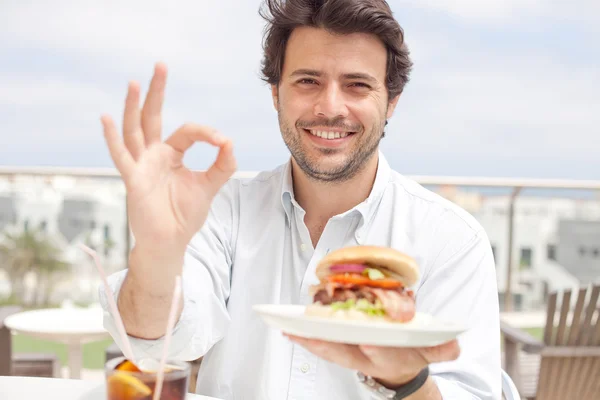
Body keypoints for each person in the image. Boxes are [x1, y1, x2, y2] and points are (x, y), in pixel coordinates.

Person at [99, 0, 501, 399]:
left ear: (391, 101)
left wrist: (406, 380)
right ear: (276, 94)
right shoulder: (222, 212)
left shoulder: (452, 241)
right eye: (307, 81)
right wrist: (154, 255)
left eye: (357, 85)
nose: (329, 108)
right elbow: (158, 342)